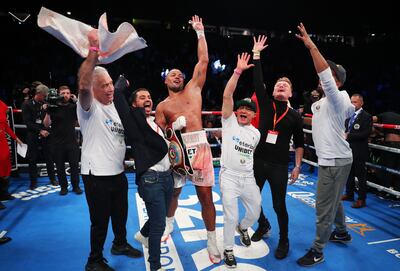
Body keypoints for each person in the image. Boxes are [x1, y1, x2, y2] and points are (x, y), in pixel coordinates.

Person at [155, 15, 221, 263]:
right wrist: (173, 129)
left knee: (206, 197)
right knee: (174, 193)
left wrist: (200, 32)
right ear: (165, 80)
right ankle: (168, 226)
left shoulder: (193, 89)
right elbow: (159, 136)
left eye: (180, 74)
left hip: (199, 146)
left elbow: (203, 60)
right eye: (172, 74)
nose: (178, 76)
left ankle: (212, 241)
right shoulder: (162, 106)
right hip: (176, 150)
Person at [77, 29, 142, 271]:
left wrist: (120, 84)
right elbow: (84, 84)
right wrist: (94, 52)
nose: (109, 89)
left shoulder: (115, 106)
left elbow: (118, 89)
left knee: (121, 214)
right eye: (103, 86)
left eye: (109, 83)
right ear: (93, 89)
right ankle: (94, 261)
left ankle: (120, 244)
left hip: (117, 172)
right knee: (100, 221)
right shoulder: (88, 107)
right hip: (96, 176)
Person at [295, 23, 355, 267]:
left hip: (336, 160)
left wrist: (311, 46)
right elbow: (317, 107)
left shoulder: (340, 97)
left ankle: (318, 250)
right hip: (332, 159)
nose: (322, 76)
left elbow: (326, 80)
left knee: (323, 206)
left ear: (336, 80)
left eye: (329, 74)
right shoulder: (320, 104)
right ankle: (341, 231)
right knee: (332, 200)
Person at [251, 35, 304, 260]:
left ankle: (284, 238)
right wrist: (256, 55)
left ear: (290, 93)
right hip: (258, 160)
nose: (281, 85)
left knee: (279, 204)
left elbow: (300, 144)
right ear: (272, 92)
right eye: (278, 84)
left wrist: (298, 166)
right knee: (251, 200)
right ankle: (263, 225)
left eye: (286, 85)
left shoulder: (295, 116)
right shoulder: (266, 102)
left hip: (279, 165)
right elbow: (256, 80)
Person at [113, 80, 174, 271]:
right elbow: (117, 98)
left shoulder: (154, 123)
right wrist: (120, 85)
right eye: (142, 97)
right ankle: (155, 266)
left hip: (167, 177)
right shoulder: (133, 120)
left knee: (162, 216)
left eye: (149, 97)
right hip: (151, 179)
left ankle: (142, 235)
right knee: (158, 225)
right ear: (134, 104)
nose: (147, 99)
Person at [219, 52, 261, 268]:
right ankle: (228, 249)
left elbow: (249, 154)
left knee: (255, 211)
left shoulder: (256, 134)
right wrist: (237, 72)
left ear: (253, 115)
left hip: (248, 177)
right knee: (230, 215)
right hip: (229, 177)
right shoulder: (230, 122)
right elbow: (228, 96)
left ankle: (244, 228)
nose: (243, 110)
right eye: (241, 108)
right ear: (236, 112)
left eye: (248, 109)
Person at [43, 86, 82, 195]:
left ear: (70, 95)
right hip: (57, 143)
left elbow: (82, 117)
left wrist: (77, 101)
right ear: (59, 95)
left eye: (68, 93)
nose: (65, 95)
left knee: (74, 166)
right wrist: (47, 112)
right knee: (60, 167)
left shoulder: (73, 107)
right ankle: (63, 187)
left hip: (72, 142)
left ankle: (76, 186)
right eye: (63, 93)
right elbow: (46, 124)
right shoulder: (53, 107)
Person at [21, 84, 57, 189]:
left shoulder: (46, 104)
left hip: (46, 134)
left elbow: (50, 120)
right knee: (32, 158)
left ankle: (53, 179)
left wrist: (46, 130)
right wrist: (40, 130)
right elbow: (27, 122)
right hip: (33, 134)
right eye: (44, 95)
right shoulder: (27, 104)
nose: (45, 97)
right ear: (39, 94)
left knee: (49, 157)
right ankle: (33, 182)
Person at [342, 94, 372, 208]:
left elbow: (366, 133)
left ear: (361, 103)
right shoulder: (349, 116)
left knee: (361, 176)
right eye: (351, 102)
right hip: (348, 149)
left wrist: (349, 136)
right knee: (349, 173)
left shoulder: (366, 116)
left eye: (355, 102)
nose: (352, 104)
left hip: (359, 150)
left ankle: (361, 199)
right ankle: (349, 194)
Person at [0, 99, 23, 209]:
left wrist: (15, 138)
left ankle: (4, 193)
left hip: (2, 142)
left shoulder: (1, 105)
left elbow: (5, 125)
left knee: (5, 167)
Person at [373, 111, 400, 197]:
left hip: (390, 144)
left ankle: (385, 191)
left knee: (385, 168)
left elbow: (370, 119)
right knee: (397, 169)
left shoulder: (384, 115)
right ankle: (396, 193)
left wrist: (377, 131)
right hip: (398, 145)